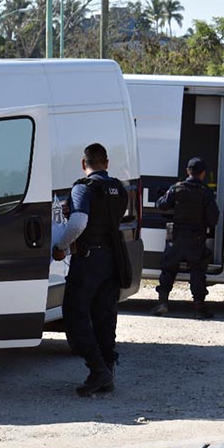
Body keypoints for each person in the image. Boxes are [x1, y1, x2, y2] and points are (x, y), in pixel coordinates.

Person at [53, 143, 129, 397]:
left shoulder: (82, 188)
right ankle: (106, 372)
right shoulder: (119, 188)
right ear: (106, 163)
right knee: (105, 316)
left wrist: (61, 246)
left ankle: (98, 370)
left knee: (74, 315)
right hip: (114, 258)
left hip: (88, 259)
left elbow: (79, 222)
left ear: (83, 164)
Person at [151, 157, 220, 319]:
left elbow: (161, 205)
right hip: (196, 238)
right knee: (197, 270)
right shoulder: (205, 192)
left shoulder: (176, 188)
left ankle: (162, 303)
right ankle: (198, 306)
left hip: (175, 237)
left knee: (168, 269)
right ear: (203, 174)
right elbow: (213, 218)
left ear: (188, 171)